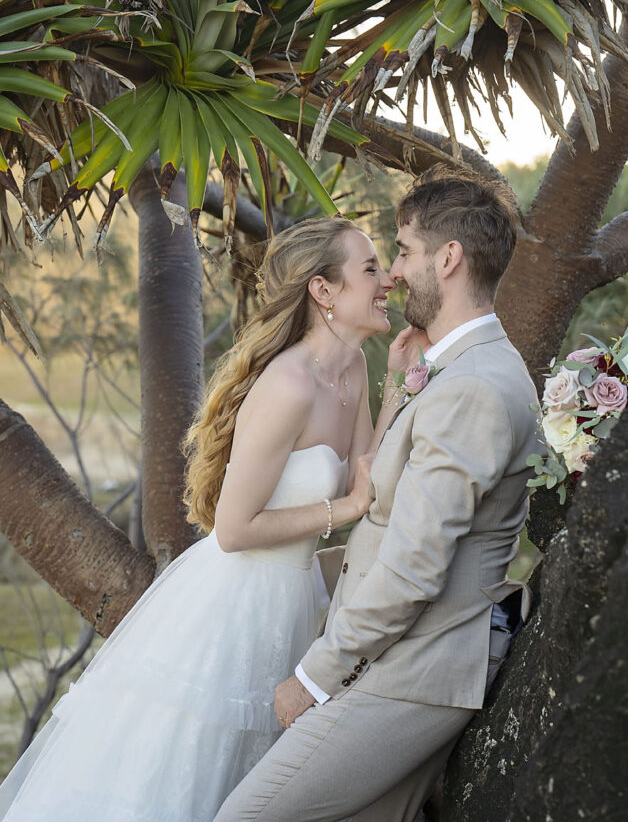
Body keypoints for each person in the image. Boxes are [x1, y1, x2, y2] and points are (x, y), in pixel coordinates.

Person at [0, 216, 411, 822]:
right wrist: (344, 511)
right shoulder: (288, 385)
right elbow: (234, 529)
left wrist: (399, 381)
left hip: (294, 601)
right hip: (233, 606)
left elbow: (365, 472)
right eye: (371, 268)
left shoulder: (350, 368)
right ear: (323, 291)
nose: (388, 281)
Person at [214, 166, 543, 822]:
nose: (391, 273)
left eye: (402, 252)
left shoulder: (473, 388)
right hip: (400, 658)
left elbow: (416, 563)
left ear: (448, 259)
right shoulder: (455, 370)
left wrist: (315, 675)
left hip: (415, 672)